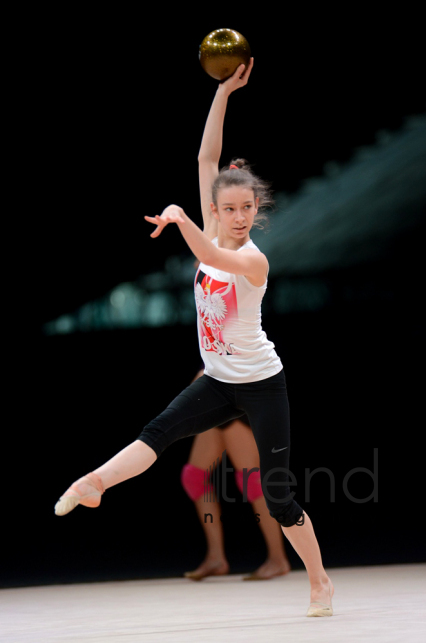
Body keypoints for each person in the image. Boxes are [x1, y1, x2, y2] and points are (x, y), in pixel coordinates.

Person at [55, 58, 334, 617]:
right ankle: (95, 483)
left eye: (246, 209)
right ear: (217, 207)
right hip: (216, 379)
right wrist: (224, 94)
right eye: (226, 208)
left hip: (261, 384)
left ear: (257, 211)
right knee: (158, 431)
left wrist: (182, 220)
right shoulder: (211, 224)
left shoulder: (252, 258)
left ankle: (319, 582)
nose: (236, 217)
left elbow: (210, 255)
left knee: (278, 499)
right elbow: (208, 156)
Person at [181, 370, 291, 581]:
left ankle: (278, 559)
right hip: (217, 400)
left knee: (252, 481)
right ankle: (215, 557)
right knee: (194, 477)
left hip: (236, 396)